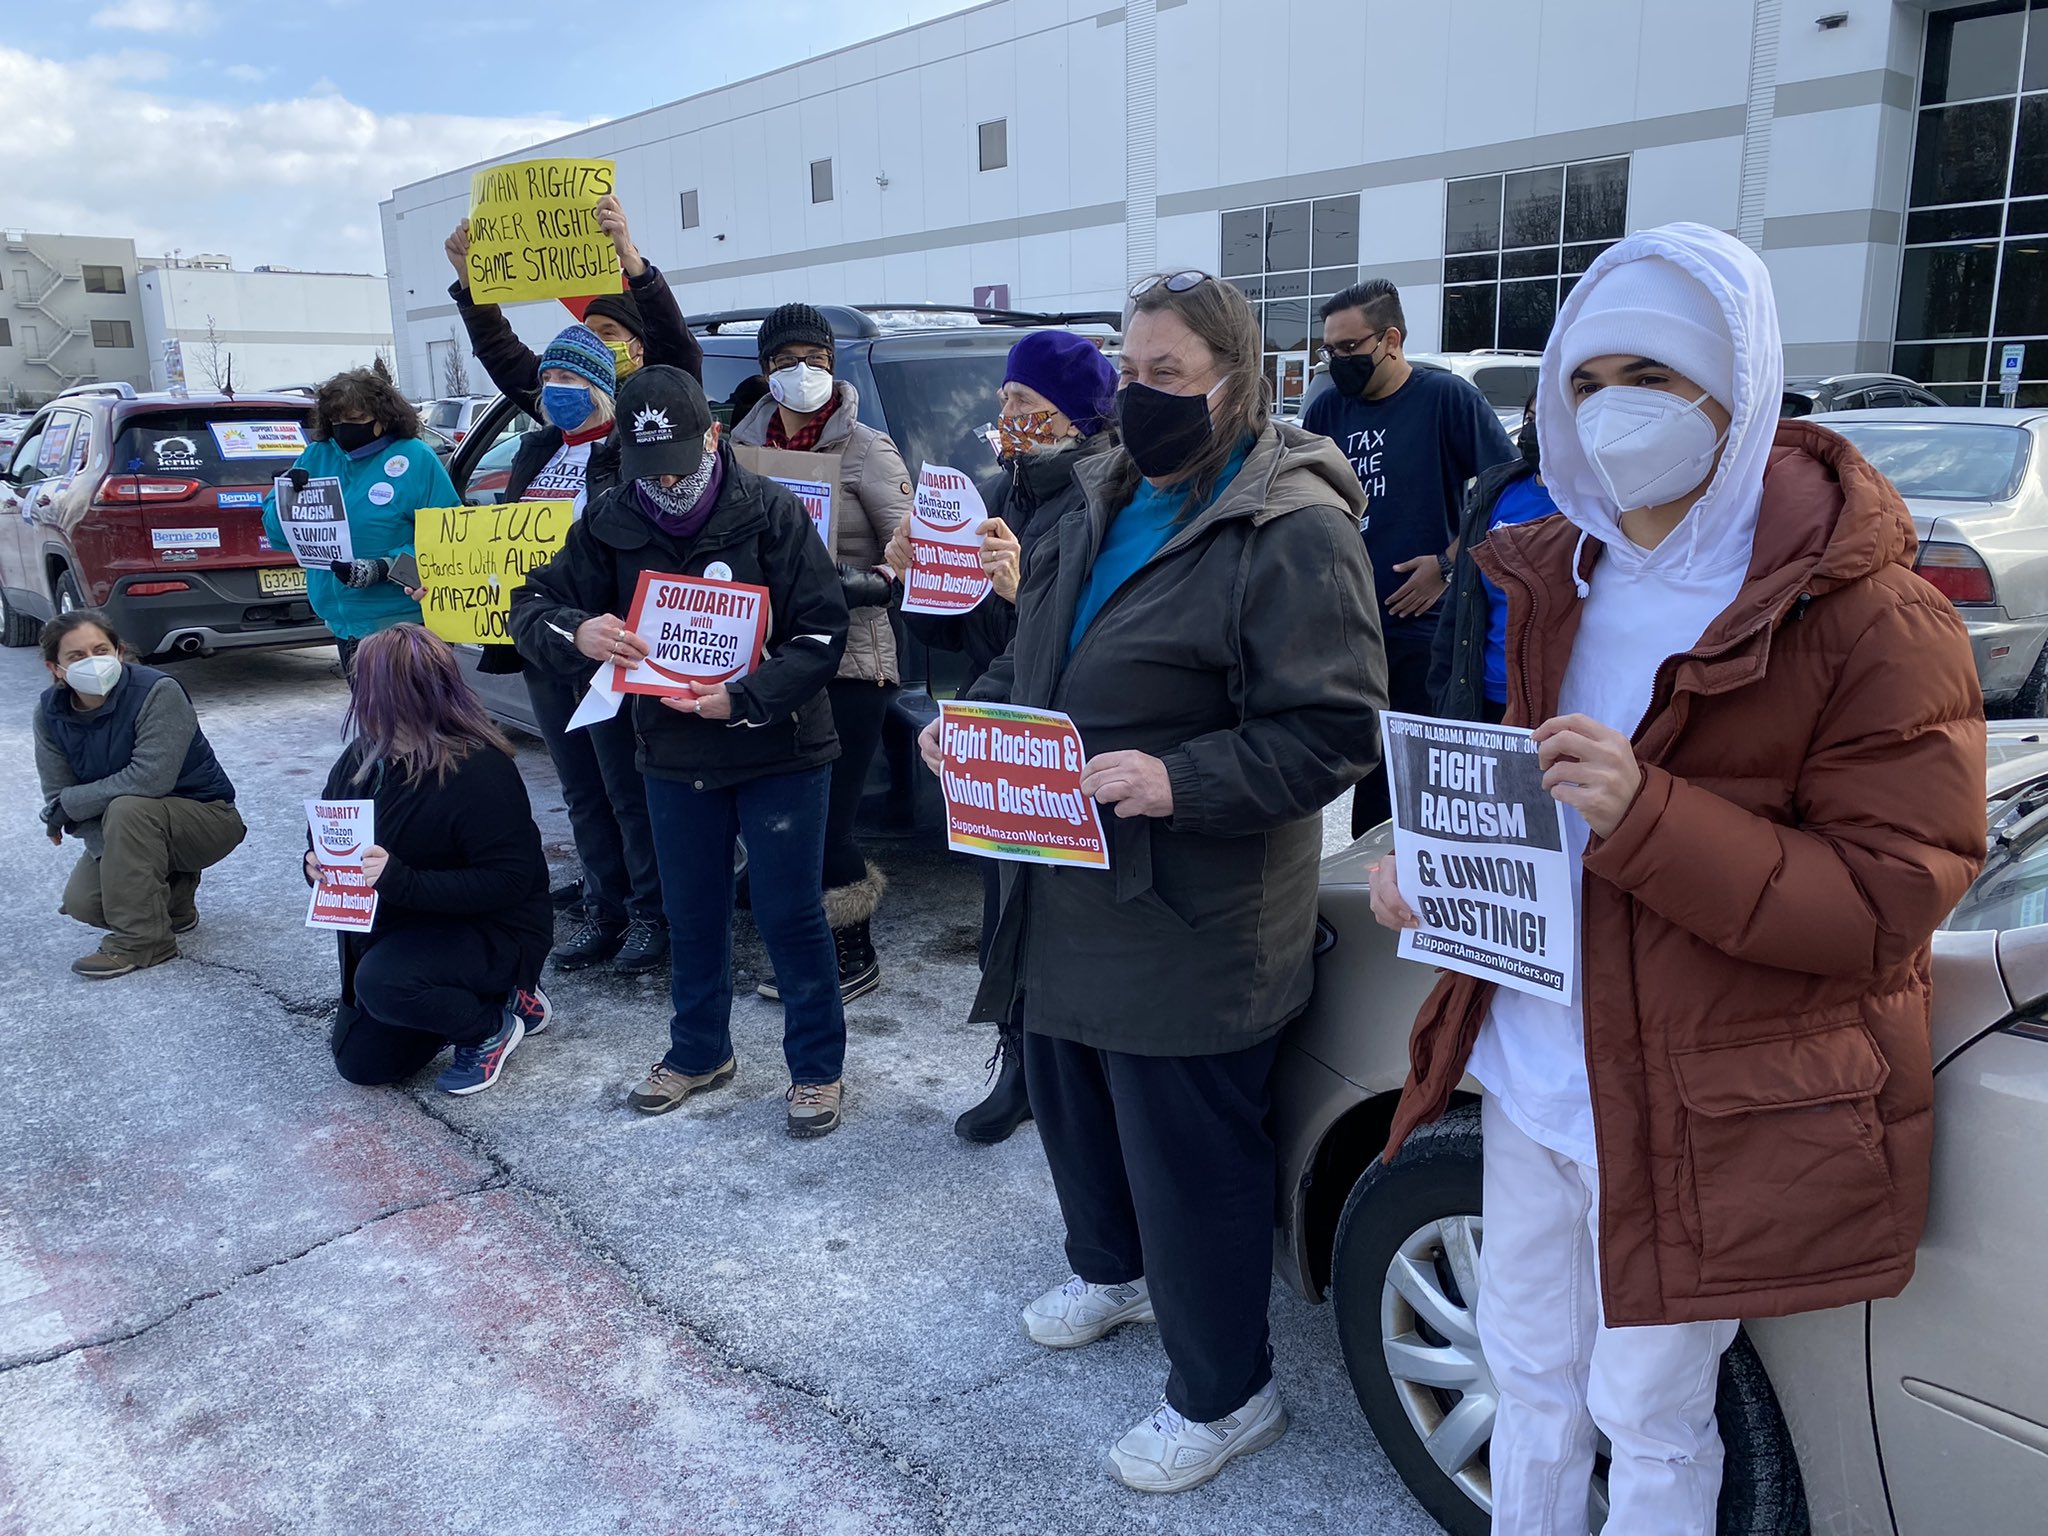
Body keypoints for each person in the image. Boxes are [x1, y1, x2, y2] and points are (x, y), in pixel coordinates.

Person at [1369, 224, 1986, 1535]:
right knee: (1525, 1374)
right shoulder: (1559, 579)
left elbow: (1888, 903)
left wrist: (1654, 815)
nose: (1609, 414)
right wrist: (1446, 889)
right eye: (1585, 383)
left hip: (1701, 1105)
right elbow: (1541, 828)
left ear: (1741, 391)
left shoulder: (1874, 619)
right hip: (1536, 1074)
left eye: (1650, 376)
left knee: (1650, 1417)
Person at [920, 271, 1384, 1492]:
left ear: (1241, 381)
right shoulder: (1102, 488)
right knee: (1073, 1106)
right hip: (1063, 880)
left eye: (1168, 376)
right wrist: (972, 727)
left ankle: (1225, 1393)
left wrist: (1175, 782)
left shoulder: (1291, 525)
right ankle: (1111, 1271)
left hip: (1193, 910)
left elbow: (1332, 732)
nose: (1139, 395)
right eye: (1129, 372)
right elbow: (1038, 655)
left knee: (1189, 1159)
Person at [509, 366, 854, 1138]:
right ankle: (700, 1051)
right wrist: (579, 632)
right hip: (671, 752)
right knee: (692, 914)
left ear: (713, 436)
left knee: (788, 915)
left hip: (781, 751)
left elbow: (824, 634)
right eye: (646, 468)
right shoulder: (609, 517)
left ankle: (817, 1068)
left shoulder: (771, 513)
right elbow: (530, 603)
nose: (663, 483)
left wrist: (749, 697)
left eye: (676, 464)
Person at [444, 192, 703, 974]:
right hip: (549, 639)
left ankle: (656, 916)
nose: (558, 379)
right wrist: (469, 283)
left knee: (629, 788)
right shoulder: (542, 446)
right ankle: (606, 906)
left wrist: (632, 263)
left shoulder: (638, 434)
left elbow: (674, 353)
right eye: (552, 368)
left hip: (619, 641)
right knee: (580, 787)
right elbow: (503, 354)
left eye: (602, 336)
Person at [887, 328, 1119, 1146]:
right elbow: (975, 637)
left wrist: (1029, 596)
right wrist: (918, 576)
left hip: (1080, 741)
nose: (1004, 412)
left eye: (1022, 401)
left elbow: (1100, 639)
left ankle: (1077, 1078)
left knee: (1070, 920)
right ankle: (1018, 1067)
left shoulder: (1107, 495)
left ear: (1073, 416)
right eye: (1005, 398)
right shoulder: (1008, 486)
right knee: (1005, 915)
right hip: (1005, 732)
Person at [731, 303, 912, 1004]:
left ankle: (852, 954)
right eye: (783, 361)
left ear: (833, 366)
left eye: (814, 359)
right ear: (764, 369)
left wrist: (859, 584)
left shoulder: (867, 448)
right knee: (786, 814)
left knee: (829, 816)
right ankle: (805, 941)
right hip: (768, 662)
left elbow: (916, 556)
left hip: (850, 664)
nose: (800, 372)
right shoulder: (739, 448)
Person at [1301, 278, 1515, 833]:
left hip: (1422, 630)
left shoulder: (1446, 398)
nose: (1339, 361)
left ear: (1391, 339)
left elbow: (1508, 496)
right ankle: (1373, 897)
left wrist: (1447, 566)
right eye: (1330, 350)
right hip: (1348, 632)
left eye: (1350, 349)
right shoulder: (1327, 411)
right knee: (1368, 778)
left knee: (1420, 781)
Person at [314, 624, 553, 1097]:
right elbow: (330, 820)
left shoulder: (479, 769)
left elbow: (509, 882)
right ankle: (490, 994)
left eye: (364, 683)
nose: (355, 692)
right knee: (363, 1065)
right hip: (402, 924)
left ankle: (489, 1024)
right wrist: (318, 861)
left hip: (493, 928)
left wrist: (400, 880)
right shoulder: (363, 755)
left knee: (385, 985)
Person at [34, 610, 245, 979]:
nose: (93, 662)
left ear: (118, 652)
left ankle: (144, 942)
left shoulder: (157, 691)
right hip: (128, 824)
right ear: (56, 668)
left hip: (206, 818)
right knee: (83, 903)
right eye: (76, 656)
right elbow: (59, 794)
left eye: (101, 649)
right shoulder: (49, 714)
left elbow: (150, 780)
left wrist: (68, 807)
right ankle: (175, 905)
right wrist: (111, 854)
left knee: (129, 808)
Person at [262, 362, 459, 677]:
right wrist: (286, 497)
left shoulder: (416, 459)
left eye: (355, 420)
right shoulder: (317, 456)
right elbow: (278, 536)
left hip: (405, 625)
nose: (344, 428)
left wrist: (384, 568)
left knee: (413, 724)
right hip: (344, 625)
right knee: (374, 723)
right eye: (336, 420)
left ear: (382, 418)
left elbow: (449, 548)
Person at [1428, 392, 1557, 723]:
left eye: (1551, 418)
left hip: (1556, 705)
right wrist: (1444, 690)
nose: (1535, 430)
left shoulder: (1599, 505)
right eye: (1530, 419)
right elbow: (1463, 602)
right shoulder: (1496, 490)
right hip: (1482, 695)